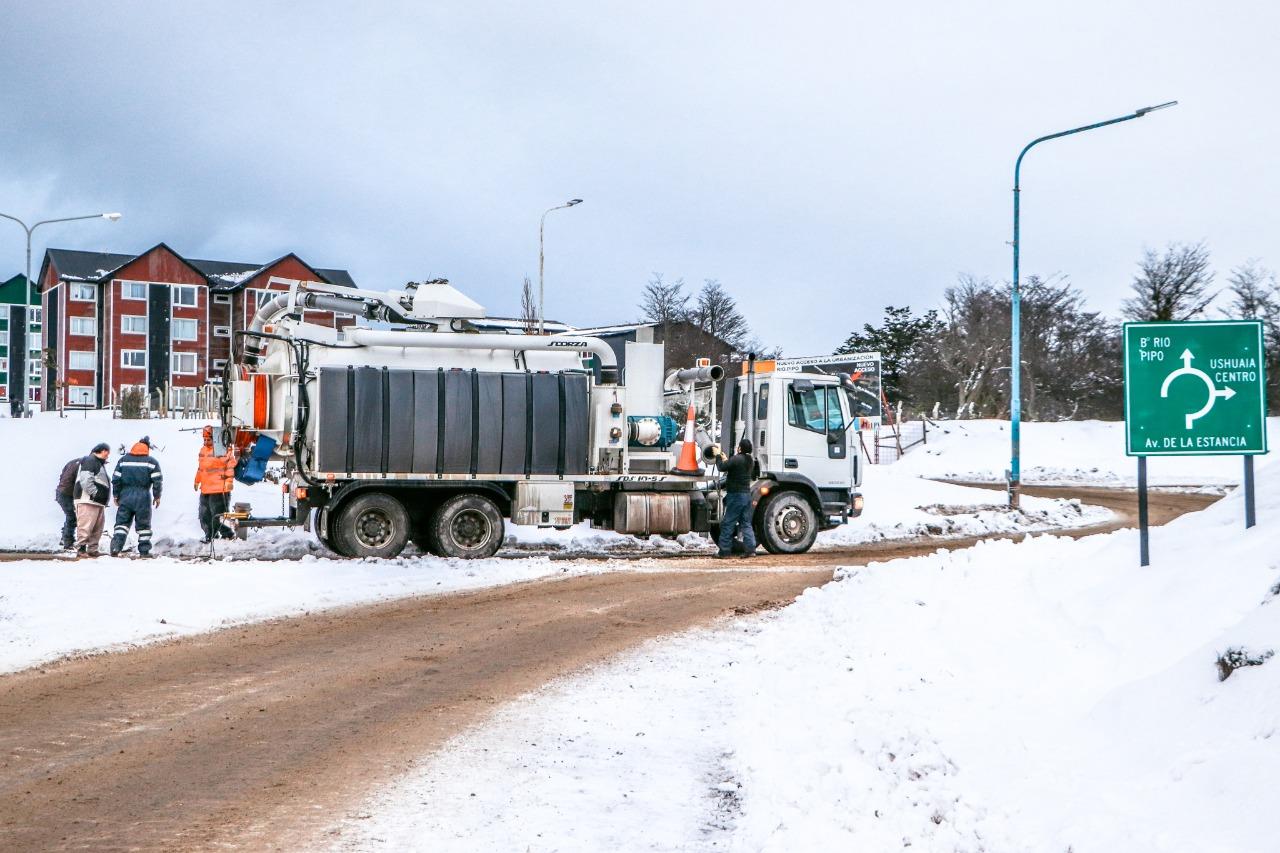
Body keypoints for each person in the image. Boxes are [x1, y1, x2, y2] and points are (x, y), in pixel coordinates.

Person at [110, 436, 163, 558]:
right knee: (144, 526)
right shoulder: (152, 462)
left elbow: (116, 479)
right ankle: (144, 551)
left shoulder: (123, 460)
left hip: (125, 496)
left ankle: (115, 547)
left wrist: (116, 495)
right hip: (143, 497)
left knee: (121, 524)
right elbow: (157, 481)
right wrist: (157, 496)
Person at [716, 438, 758, 559]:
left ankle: (724, 551)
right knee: (746, 523)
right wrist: (727, 460)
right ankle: (751, 550)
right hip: (746, 495)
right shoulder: (750, 460)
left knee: (728, 523)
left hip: (736, 495)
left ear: (740, 448)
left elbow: (721, 467)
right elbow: (733, 465)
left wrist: (718, 456)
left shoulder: (737, 458)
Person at [195, 426, 236, 543]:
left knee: (219, 514)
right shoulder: (203, 450)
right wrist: (197, 481)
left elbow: (230, 466)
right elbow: (201, 468)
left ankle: (227, 534)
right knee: (204, 514)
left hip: (219, 489)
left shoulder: (222, 449)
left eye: (209, 439)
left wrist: (228, 482)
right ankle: (210, 534)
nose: (206, 442)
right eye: (205, 439)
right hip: (206, 489)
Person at [73, 443, 112, 557]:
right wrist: (95, 493)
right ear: (103, 450)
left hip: (97, 501)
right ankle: (81, 549)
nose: (108, 456)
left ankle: (92, 549)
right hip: (88, 499)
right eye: (107, 452)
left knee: (97, 527)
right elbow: (85, 480)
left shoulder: (98, 463)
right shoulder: (90, 460)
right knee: (86, 524)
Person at [55, 455, 82, 550]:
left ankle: (65, 538)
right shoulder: (86, 465)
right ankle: (68, 541)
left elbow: (62, 476)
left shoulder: (72, 462)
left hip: (61, 492)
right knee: (72, 516)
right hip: (67, 494)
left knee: (71, 516)